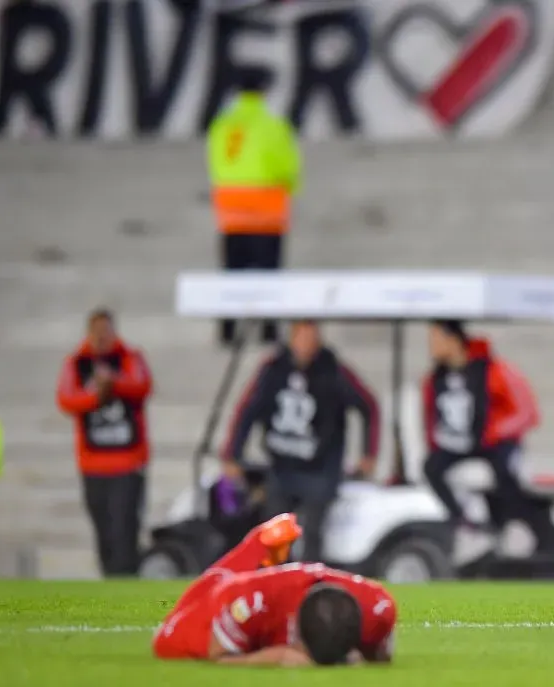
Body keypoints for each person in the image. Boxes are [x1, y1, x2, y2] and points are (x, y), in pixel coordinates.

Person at [223, 321, 380, 563]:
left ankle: (309, 586)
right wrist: (232, 453)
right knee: (274, 533)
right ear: (291, 339)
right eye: (301, 337)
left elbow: (368, 405)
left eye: (311, 338)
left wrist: (369, 453)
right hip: (283, 467)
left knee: (312, 532)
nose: (306, 345)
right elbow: (247, 411)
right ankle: (274, 585)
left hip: (321, 469)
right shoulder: (273, 369)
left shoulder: (333, 370)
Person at [153, 513, 397, 666]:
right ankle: (256, 543)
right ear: (296, 633)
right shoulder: (248, 600)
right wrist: (272, 657)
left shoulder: (377, 606)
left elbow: (380, 658)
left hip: (291, 587)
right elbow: (218, 655)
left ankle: (261, 543)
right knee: (168, 642)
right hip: (227, 591)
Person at [422, 321, 552, 544]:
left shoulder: (494, 371)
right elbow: (430, 416)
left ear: (453, 340)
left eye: (435, 339)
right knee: (431, 467)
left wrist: (494, 431)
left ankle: (516, 523)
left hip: (490, 443)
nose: (431, 346)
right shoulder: (435, 379)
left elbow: (528, 413)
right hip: (456, 446)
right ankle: (462, 521)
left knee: (503, 472)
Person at [56, 308, 152, 577]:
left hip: (127, 462)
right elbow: (66, 399)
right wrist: (96, 396)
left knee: (125, 529)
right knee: (103, 530)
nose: (101, 337)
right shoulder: (76, 362)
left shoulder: (129, 357)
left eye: (105, 331)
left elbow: (143, 386)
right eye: (96, 331)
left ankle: (126, 579)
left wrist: (114, 384)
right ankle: (110, 578)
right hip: (93, 464)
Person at [207, 71, 301, 346]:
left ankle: (227, 330)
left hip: (232, 211)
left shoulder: (222, 124)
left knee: (231, 273)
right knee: (269, 273)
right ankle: (268, 330)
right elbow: (288, 165)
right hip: (266, 209)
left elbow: (215, 162)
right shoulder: (273, 124)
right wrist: (290, 187)